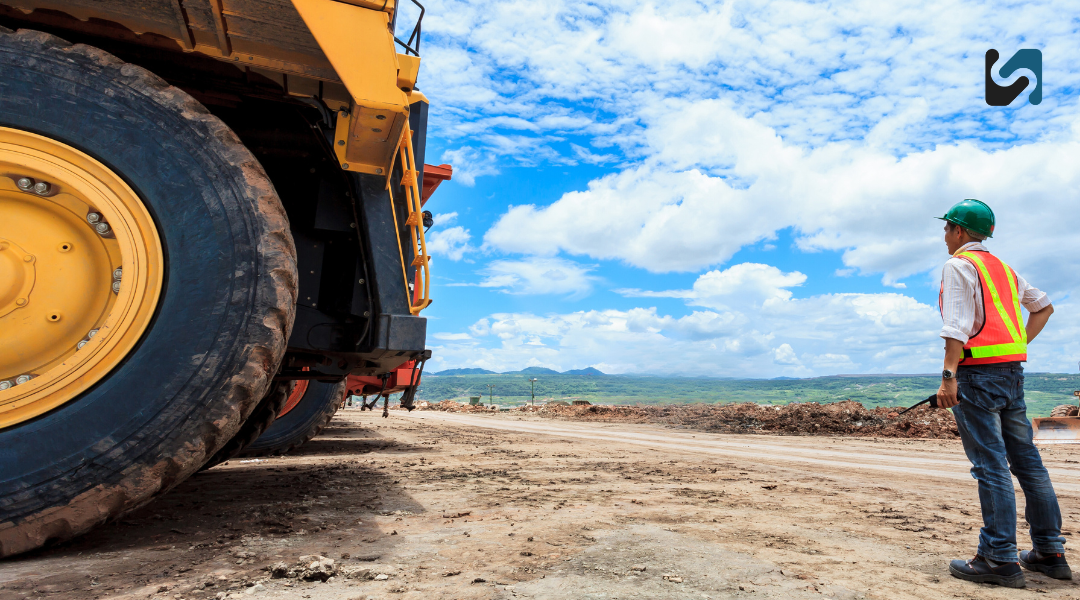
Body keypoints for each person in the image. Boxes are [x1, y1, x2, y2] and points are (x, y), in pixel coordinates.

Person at [934, 199, 1067, 588]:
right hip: (1012, 374)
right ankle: (1049, 552)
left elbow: (956, 328)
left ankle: (998, 558)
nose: (944, 236)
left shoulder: (959, 264)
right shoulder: (1004, 270)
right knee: (1028, 463)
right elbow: (1043, 308)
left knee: (990, 465)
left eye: (946, 228)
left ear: (959, 231)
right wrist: (1016, 344)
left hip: (977, 377)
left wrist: (948, 378)